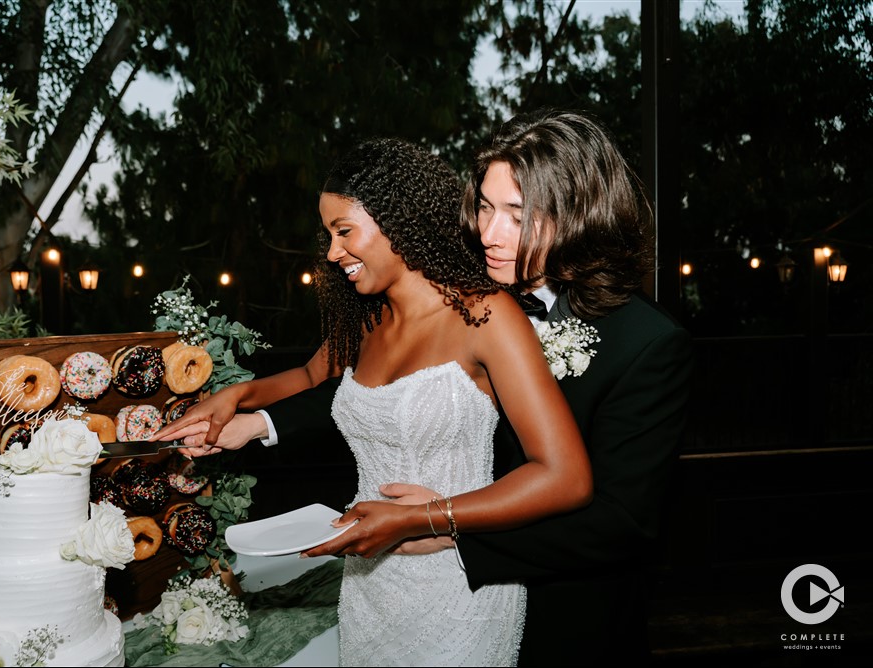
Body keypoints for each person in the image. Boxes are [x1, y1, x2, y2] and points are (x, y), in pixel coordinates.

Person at [157, 109, 695, 665]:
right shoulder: (471, 284)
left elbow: (619, 522)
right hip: (404, 586)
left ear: (581, 216)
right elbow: (381, 390)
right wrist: (251, 411)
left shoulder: (646, 344)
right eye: (485, 207)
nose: (489, 233)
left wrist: (450, 527)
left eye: (517, 214)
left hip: (566, 617)